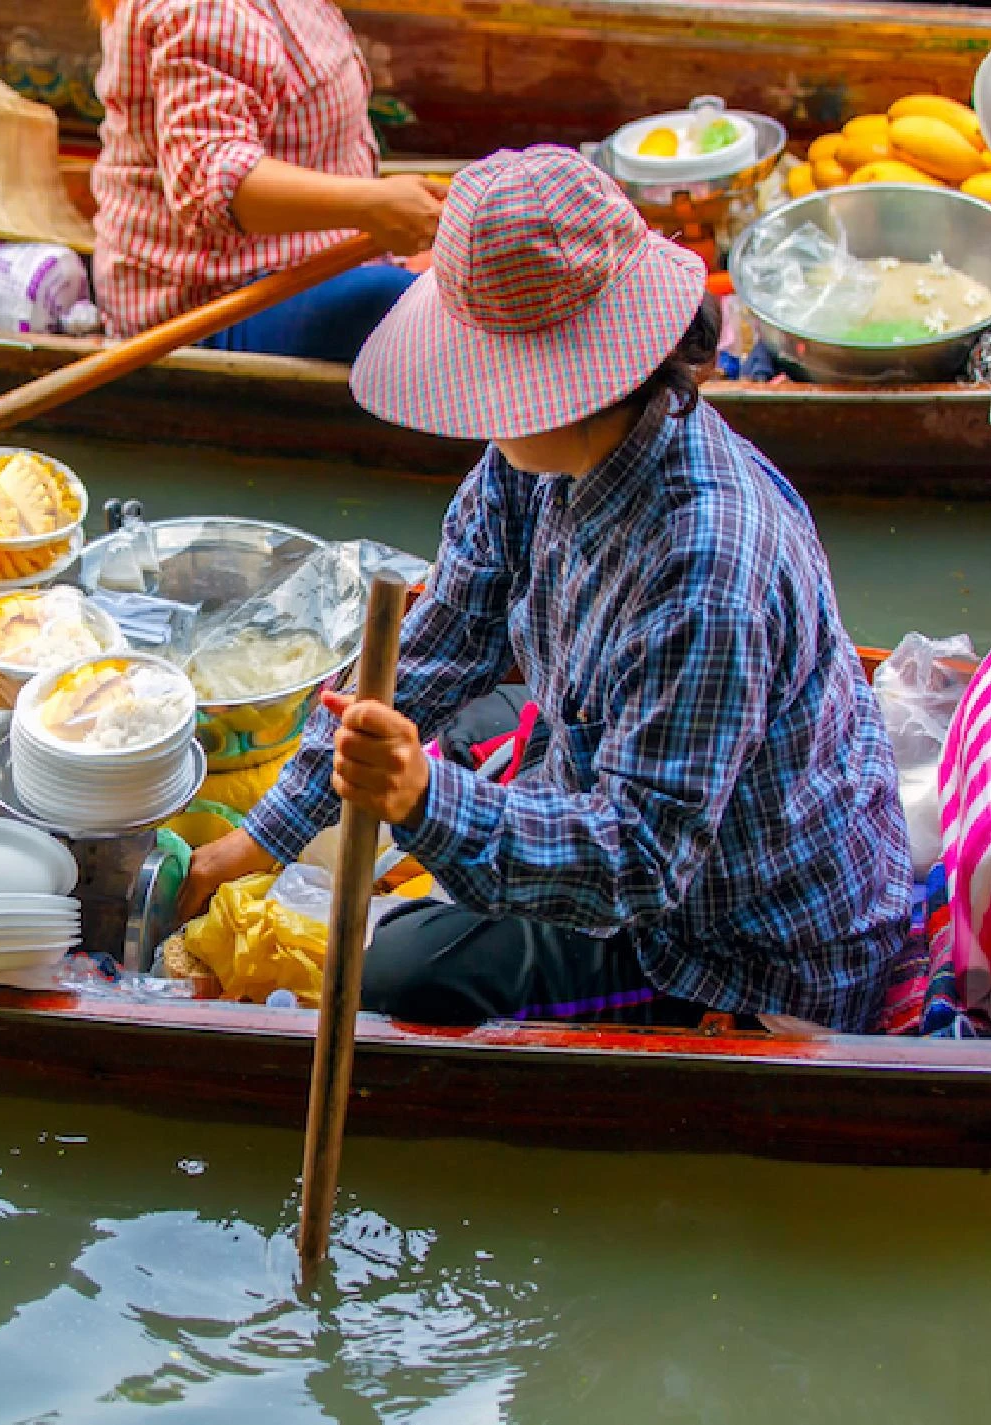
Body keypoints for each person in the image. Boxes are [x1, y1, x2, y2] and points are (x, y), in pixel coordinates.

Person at [178, 146, 913, 1033]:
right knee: (450, 719)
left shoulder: (707, 569)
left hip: (729, 945)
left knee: (400, 974)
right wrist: (261, 836)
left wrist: (419, 797)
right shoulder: (531, 460)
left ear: (564, 380)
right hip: (630, 800)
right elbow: (443, 642)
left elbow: (637, 864)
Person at [89, 0, 444, 360]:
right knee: (399, 304)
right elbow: (211, 178)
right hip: (213, 306)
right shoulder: (207, 7)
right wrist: (373, 205)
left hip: (315, 268)